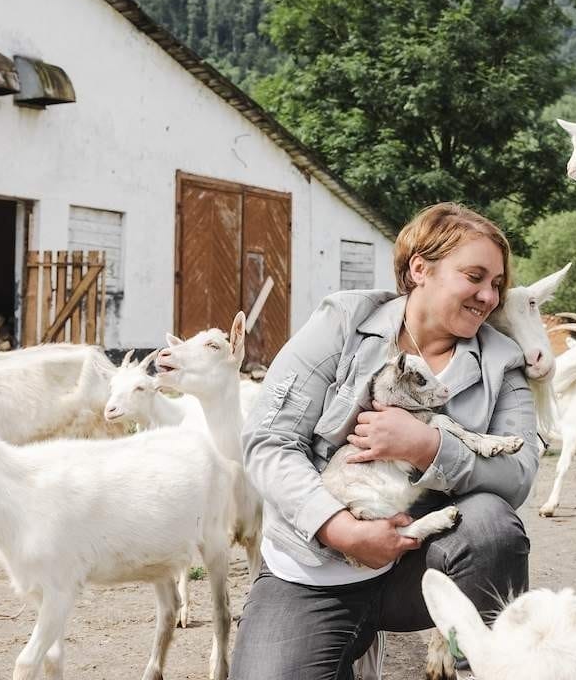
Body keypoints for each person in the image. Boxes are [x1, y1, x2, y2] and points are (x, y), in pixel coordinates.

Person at [229, 202, 538, 680]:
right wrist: (337, 526)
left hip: (420, 568)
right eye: (474, 276)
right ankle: (334, 642)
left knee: (491, 527)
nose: (488, 296)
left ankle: (479, 664)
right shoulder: (343, 323)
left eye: (497, 284)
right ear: (420, 268)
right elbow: (268, 442)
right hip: (317, 569)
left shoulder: (501, 362)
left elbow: (518, 476)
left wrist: (428, 447)